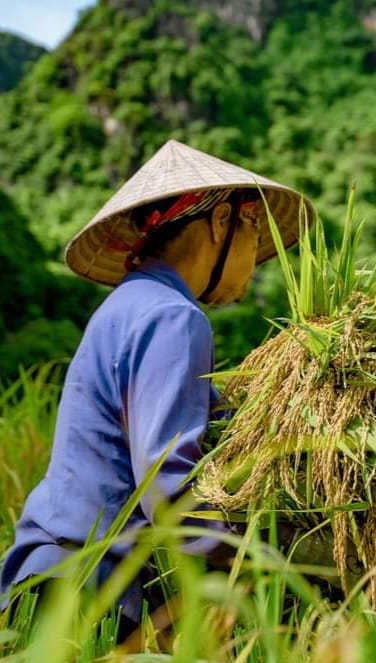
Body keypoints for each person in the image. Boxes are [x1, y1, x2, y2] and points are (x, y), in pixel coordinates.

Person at [0, 139, 311, 633]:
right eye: (255, 236)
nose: (255, 266)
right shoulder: (174, 318)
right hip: (84, 591)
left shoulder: (133, 301)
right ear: (223, 221)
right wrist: (274, 566)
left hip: (50, 575)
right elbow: (167, 485)